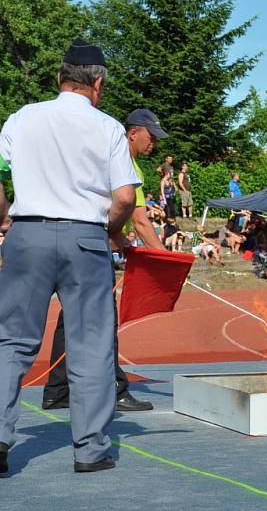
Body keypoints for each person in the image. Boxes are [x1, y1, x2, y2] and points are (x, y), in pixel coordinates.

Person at [0, 39, 139, 474]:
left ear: (59, 78)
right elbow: (124, 195)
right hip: (85, 237)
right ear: (98, 83)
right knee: (91, 344)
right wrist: (111, 231)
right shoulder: (108, 127)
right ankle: (91, 449)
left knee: (12, 341)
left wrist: (5, 220)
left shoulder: (22, 118)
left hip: (27, 235)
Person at [42, 107, 170, 415]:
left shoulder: (99, 159)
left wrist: (117, 237)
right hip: (92, 247)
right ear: (133, 133)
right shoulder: (127, 165)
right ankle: (117, 389)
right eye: (150, 137)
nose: (153, 144)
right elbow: (139, 219)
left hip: (70, 240)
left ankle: (57, 390)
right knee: (104, 320)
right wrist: (166, 258)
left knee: (69, 318)